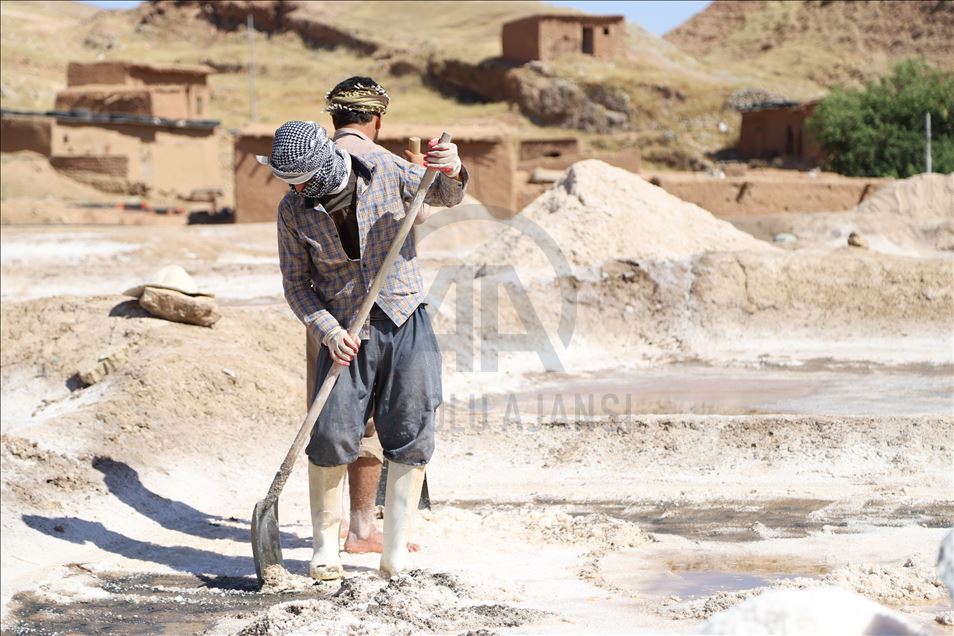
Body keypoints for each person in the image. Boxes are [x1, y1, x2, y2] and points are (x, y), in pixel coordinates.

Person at [260, 110, 466, 579]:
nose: (293, 192)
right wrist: (329, 331)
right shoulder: (292, 212)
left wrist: (452, 166)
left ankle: (393, 553)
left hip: (404, 317)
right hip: (343, 330)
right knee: (331, 434)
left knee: (410, 428)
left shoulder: (389, 172)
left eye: (299, 183)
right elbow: (296, 285)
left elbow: (446, 194)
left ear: (325, 168)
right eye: (288, 185)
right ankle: (324, 551)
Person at [300, 77, 428, 556]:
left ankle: (354, 534)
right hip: (360, 321)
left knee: (339, 423)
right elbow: (439, 205)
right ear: (377, 119)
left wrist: (436, 175)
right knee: (366, 423)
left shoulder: (390, 169)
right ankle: (356, 532)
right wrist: (437, 176)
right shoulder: (386, 166)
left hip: (336, 321)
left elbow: (433, 202)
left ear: (333, 119)